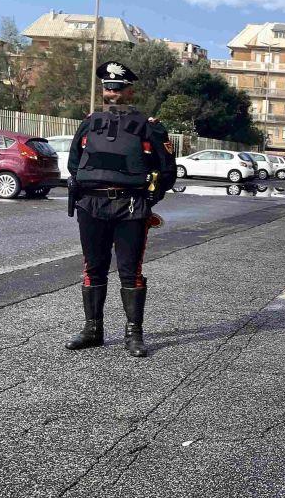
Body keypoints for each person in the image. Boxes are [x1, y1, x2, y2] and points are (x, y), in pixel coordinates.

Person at [65, 61, 177, 357]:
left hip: (131, 207)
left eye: (118, 88)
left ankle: (134, 335)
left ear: (130, 91)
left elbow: (168, 171)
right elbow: (74, 163)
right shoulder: (90, 122)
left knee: (130, 271)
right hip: (91, 204)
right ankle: (92, 330)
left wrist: (148, 202)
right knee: (93, 267)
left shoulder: (149, 126)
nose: (112, 93)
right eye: (107, 87)